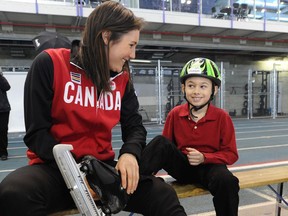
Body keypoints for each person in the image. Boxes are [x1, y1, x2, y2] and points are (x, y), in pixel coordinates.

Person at [0, 1, 186, 216]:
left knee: (161, 193)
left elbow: (134, 126)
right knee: (13, 193)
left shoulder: (123, 78)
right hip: (57, 170)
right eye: (131, 45)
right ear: (106, 37)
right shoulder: (50, 64)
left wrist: (130, 154)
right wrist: (78, 173)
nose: (133, 55)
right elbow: (37, 134)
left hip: (102, 170)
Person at [140, 58, 240, 216]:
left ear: (214, 90)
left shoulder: (222, 117)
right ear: (183, 88)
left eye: (203, 86)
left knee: (228, 181)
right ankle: (128, 182)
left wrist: (204, 158)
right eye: (191, 85)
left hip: (210, 169)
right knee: (160, 142)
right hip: (182, 167)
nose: (196, 91)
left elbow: (231, 154)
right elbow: (165, 149)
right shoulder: (175, 114)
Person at [0, 70, 11, 161]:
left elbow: (7, 87)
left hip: (3, 109)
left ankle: (3, 152)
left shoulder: (1, 79)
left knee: (3, 130)